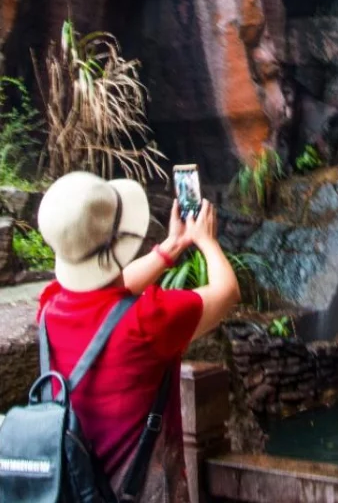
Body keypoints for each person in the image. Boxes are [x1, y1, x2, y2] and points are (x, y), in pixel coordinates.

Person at [36, 171, 240, 502]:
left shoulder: (49, 308)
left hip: (76, 488)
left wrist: (170, 248)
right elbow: (226, 291)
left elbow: (109, 292)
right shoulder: (149, 321)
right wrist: (206, 241)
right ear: (121, 241)